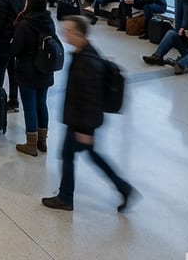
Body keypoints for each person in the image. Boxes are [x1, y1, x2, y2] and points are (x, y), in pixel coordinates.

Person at [42, 16, 136, 213]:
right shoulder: (82, 53)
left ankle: (66, 197)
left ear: (78, 33)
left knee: (76, 155)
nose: (64, 33)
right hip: (79, 121)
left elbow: (91, 99)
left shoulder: (87, 63)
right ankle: (122, 188)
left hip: (82, 123)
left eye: (67, 30)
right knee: (83, 155)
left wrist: (85, 130)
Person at [10, 0, 55, 156]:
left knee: (29, 107)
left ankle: (31, 143)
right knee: (41, 104)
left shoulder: (24, 25)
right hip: (45, 69)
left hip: (27, 71)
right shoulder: (48, 22)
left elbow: (15, 50)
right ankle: (42, 141)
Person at [0, 0, 29, 114]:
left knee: (0, 70)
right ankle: (14, 101)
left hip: (4, 38)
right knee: (13, 71)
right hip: (19, 37)